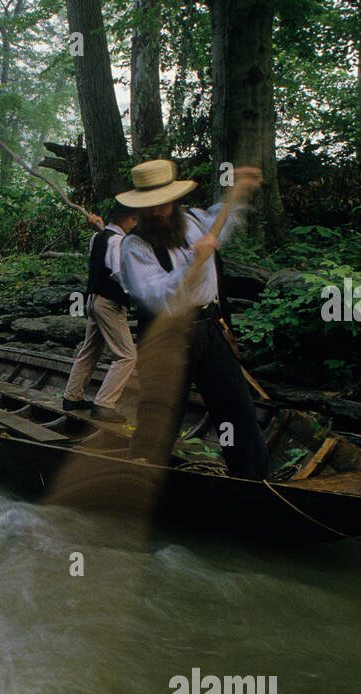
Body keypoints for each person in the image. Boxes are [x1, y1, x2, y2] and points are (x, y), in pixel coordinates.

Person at [116, 159, 270, 480]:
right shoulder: (134, 247)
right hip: (166, 338)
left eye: (164, 204)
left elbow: (223, 220)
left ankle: (253, 482)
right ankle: (142, 479)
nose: (158, 211)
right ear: (141, 209)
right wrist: (194, 264)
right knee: (162, 416)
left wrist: (239, 192)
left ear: (175, 200)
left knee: (235, 409)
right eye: (151, 207)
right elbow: (160, 298)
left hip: (210, 330)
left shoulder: (196, 222)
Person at [61, 202, 141, 422]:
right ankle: (104, 404)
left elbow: (104, 254)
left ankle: (72, 397)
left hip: (93, 300)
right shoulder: (118, 241)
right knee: (127, 355)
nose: (135, 224)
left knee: (91, 349)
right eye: (133, 219)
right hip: (109, 303)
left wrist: (100, 226)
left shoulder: (98, 238)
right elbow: (118, 273)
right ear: (123, 218)